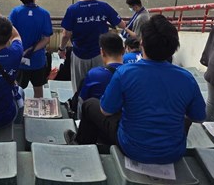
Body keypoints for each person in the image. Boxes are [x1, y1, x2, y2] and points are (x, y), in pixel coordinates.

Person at [65, 15, 206, 165]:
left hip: (132, 147)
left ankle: (81, 145)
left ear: (142, 43)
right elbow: (198, 117)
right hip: (173, 152)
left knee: (90, 104)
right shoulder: (187, 78)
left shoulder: (125, 72)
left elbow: (106, 111)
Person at [58, 0, 125, 92]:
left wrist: (61, 49)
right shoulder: (103, 6)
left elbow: (66, 34)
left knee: (79, 87)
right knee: (100, 85)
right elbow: (122, 24)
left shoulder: (73, 9)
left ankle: (80, 103)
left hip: (80, 54)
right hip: (100, 53)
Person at [8, 0, 53, 99]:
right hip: (37, 61)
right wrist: (31, 50)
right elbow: (46, 39)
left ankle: (18, 109)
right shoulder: (44, 14)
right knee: (38, 91)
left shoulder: (15, 13)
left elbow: (10, 34)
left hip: (19, 59)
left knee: (17, 90)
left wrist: (20, 50)